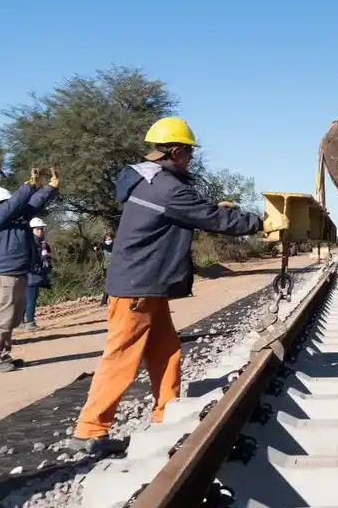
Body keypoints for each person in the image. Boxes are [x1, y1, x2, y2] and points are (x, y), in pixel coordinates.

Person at [70, 117, 263, 454]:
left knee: (166, 351)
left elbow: (192, 212)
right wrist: (261, 221)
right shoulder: (166, 187)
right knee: (121, 357)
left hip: (147, 284)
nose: (190, 159)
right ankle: (89, 431)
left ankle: (166, 413)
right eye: (188, 153)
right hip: (137, 287)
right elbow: (213, 220)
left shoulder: (150, 182)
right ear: (175, 152)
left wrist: (214, 208)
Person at [0, 168, 59, 374]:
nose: (9, 205)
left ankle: (3, 355)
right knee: (0, 318)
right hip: (2, 275)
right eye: (5, 203)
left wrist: (49, 188)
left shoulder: (16, 218)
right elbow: (14, 204)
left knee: (11, 319)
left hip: (17, 273)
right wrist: (28, 187)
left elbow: (32, 205)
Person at [19, 217, 53, 332]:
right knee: (31, 299)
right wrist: (39, 269)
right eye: (38, 229)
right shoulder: (32, 243)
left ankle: (21, 322)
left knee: (26, 299)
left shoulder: (41, 243)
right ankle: (30, 323)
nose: (40, 231)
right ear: (32, 230)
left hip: (31, 275)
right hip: (31, 275)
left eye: (42, 229)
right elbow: (31, 261)